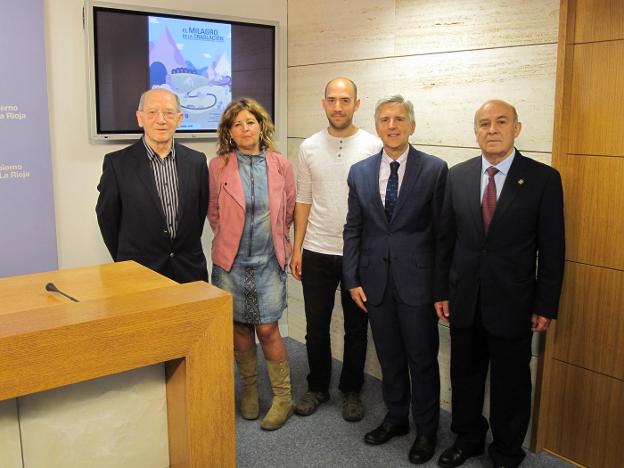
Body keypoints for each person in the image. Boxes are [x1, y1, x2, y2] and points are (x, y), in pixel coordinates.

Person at [434, 100, 565, 468]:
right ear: (475, 132)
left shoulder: (543, 178)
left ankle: (507, 451)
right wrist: (440, 291)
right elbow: (445, 240)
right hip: (465, 298)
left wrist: (546, 304)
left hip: (514, 302)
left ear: (517, 129)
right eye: (484, 123)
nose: (492, 129)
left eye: (501, 122)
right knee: (465, 374)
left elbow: (552, 249)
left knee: (511, 383)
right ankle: (469, 437)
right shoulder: (457, 175)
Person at [343, 95, 447, 464]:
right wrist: (352, 278)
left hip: (418, 285)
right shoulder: (359, 172)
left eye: (399, 119)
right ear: (377, 126)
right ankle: (397, 417)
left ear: (412, 125)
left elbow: (442, 235)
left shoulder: (435, 170)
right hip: (375, 283)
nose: (392, 125)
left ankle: (427, 430)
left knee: (422, 360)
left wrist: (441, 289)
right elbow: (353, 228)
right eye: (385, 119)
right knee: (388, 357)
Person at [291, 77, 381, 421]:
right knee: (316, 326)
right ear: (323, 103)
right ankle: (317, 387)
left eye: (345, 100)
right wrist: (297, 248)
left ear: (357, 104)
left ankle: (351, 390)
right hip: (315, 250)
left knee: (357, 329)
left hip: (357, 255)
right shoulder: (308, 146)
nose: (338, 106)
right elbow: (303, 199)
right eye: (332, 100)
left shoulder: (374, 146)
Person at [208, 98, 296, 431]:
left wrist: (278, 245)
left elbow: (287, 211)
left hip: (268, 261)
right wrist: (231, 239)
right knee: (239, 327)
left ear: (262, 125)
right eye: (237, 124)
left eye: (251, 122)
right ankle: (249, 392)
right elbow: (214, 214)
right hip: (230, 263)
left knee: (268, 328)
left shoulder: (280, 164)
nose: (245, 129)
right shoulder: (218, 166)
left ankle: (283, 398)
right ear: (229, 132)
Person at [96, 88, 208, 283]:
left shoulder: (197, 162)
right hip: (138, 274)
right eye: (152, 112)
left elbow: (198, 215)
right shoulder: (117, 164)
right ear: (140, 118)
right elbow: (107, 219)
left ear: (180, 118)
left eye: (169, 113)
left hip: (189, 272)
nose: (161, 119)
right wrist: (127, 259)